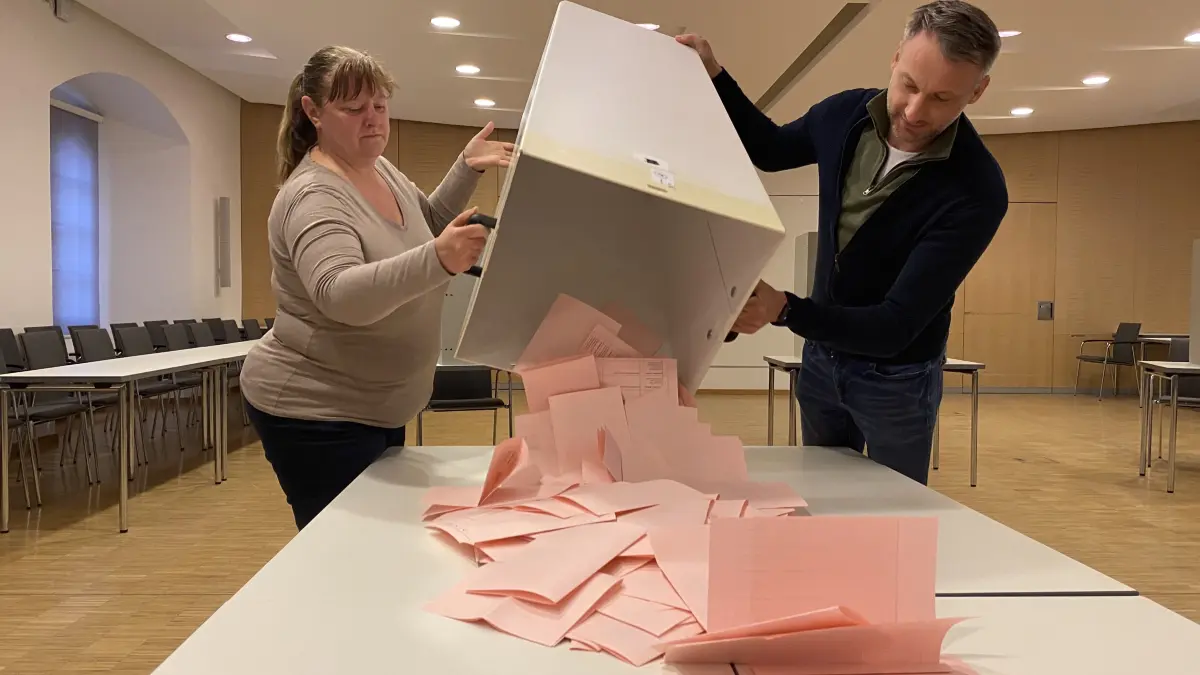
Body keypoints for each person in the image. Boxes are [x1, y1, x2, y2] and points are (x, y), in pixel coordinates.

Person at [678, 0, 1007, 484]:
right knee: (825, 490)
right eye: (909, 85)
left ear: (977, 90)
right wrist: (714, 74)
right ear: (896, 57)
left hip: (896, 381)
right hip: (820, 360)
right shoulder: (845, 113)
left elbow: (896, 326)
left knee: (897, 510)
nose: (915, 112)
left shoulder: (976, 189)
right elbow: (768, 149)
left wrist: (785, 310)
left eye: (942, 98)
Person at [239, 45, 513, 529]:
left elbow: (423, 224)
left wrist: (465, 169)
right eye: (353, 109)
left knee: (372, 552)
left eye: (380, 107)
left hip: (375, 406)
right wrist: (438, 259)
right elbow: (340, 294)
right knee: (345, 556)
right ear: (313, 112)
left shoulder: (377, 167)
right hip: (317, 414)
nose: (373, 121)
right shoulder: (313, 195)